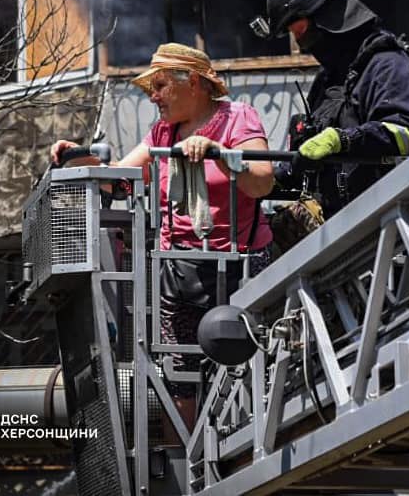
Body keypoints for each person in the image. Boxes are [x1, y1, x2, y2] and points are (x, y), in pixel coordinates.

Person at [51, 42, 274, 432]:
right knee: (178, 378)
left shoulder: (238, 118)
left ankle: (250, 445)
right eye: (150, 88)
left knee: (248, 365)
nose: (153, 96)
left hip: (241, 268)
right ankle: (184, 466)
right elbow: (119, 180)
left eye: (160, 85)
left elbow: (262, 183)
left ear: (195, 84)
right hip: (178, 270)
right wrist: (78, 156)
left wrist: (217, 152)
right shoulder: (162, 131)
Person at [251, 0, 409, 219]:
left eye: (296, 28)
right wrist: (258, 181)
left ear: (323, 17)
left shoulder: (387, 65)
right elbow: (305, 170)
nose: (297, 42)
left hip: (393, 224)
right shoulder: (328, 82)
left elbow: (403, 134)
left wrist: (341, 140)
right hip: (340, 228)